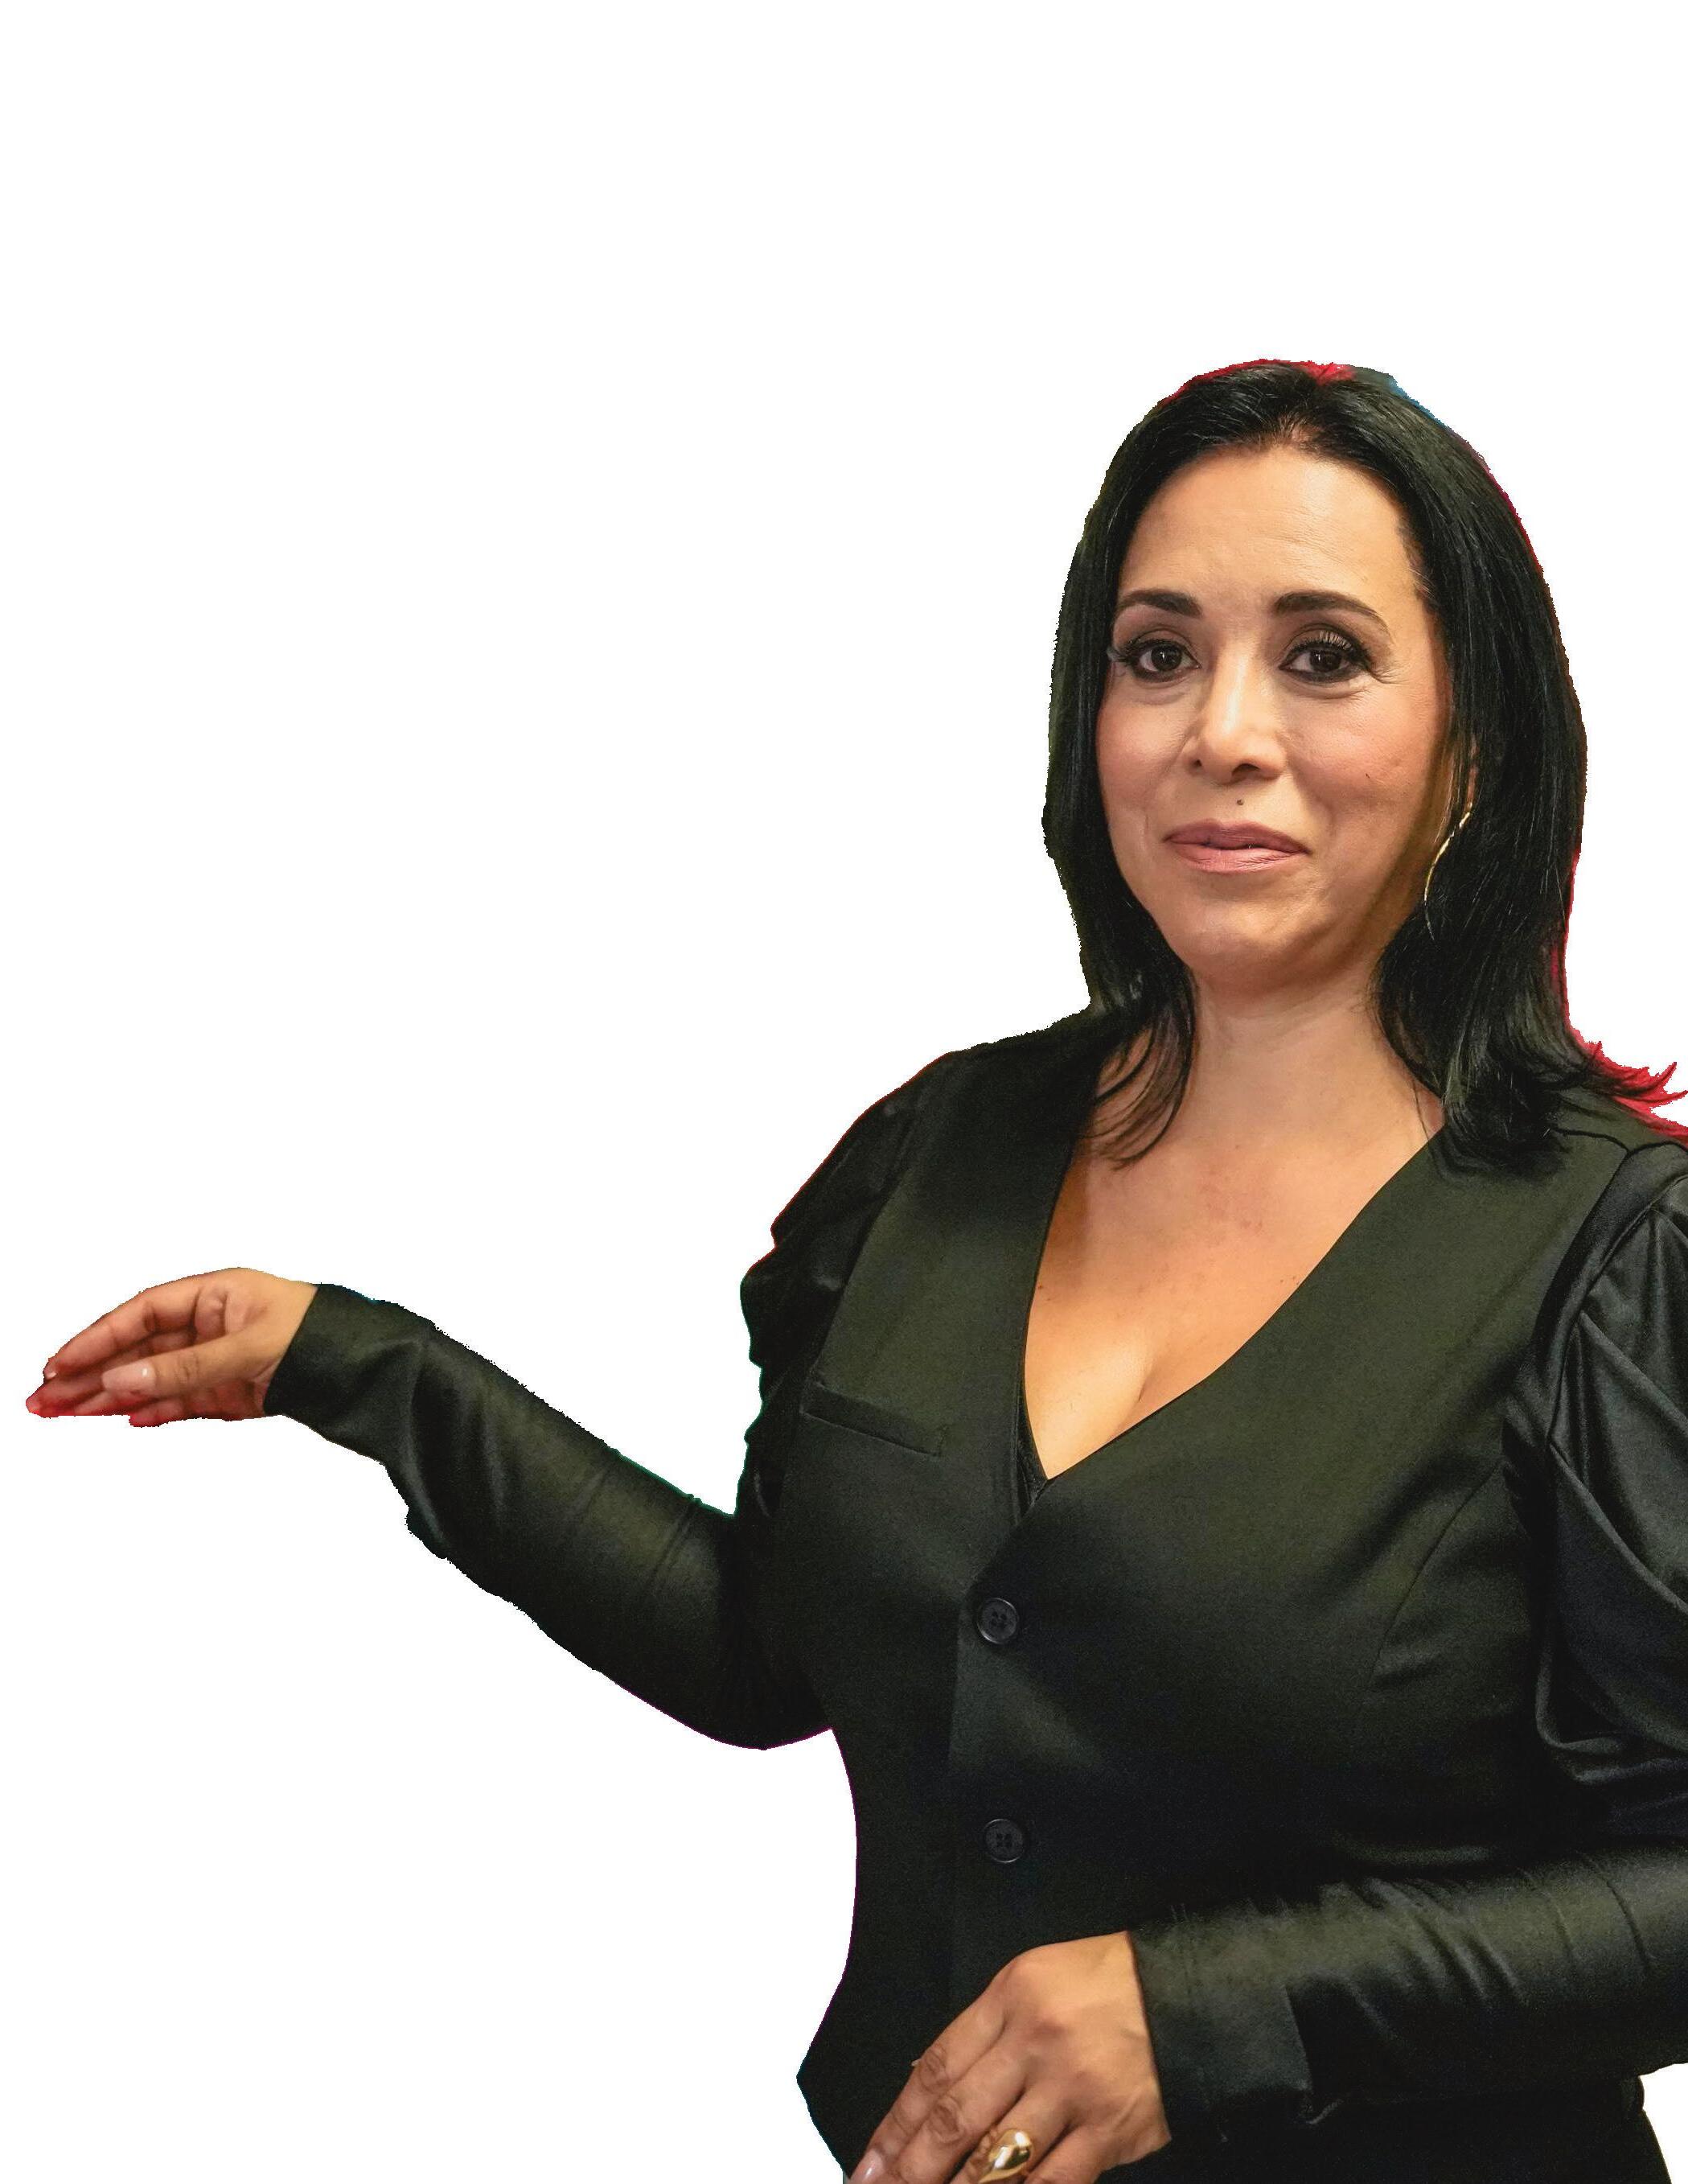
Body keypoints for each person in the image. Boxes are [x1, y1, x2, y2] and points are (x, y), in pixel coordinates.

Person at [25, 360, 1688, 2183]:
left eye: (1323, 657)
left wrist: (1212, 2010)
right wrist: (359, 1367)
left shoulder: (1613, 1261)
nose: (1222, 729)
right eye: (1157, 654)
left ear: (1473, 743)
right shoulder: (943, 1154)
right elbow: (772, 1644)